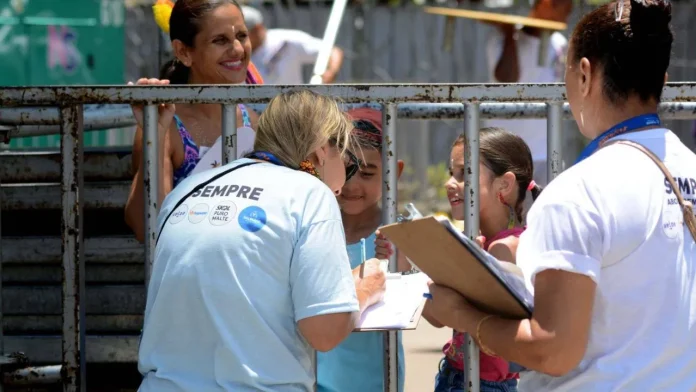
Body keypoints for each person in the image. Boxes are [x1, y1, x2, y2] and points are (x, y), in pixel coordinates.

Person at [426, 1, 696, 390]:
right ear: (663, 79)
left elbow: (553, 351)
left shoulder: (578, 192)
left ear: (584, 74)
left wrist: (463, 315)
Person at [137, 89, 387, 391]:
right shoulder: (310, 192)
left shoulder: (188, 189)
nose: (344, 184)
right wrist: (363, 289)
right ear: (322, 150)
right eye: (348, 164)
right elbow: (324, 331)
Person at [381, 128, 541, 392]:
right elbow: (438, 317)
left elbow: (481, 326)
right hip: (454, 375)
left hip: (483, 385)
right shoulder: (479, 240)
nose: (450, 183)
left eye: (464, 174)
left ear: (505, 184)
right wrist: (407, 260)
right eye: (450, 173)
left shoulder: (505, 248)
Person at [126, 0, 263, 243]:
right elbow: (146, 227)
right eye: (220, 40)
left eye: (242, 35)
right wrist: (154, 135)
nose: (238, 49)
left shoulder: (251, 121)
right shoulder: (166, 123)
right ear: (184, 52)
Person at [317, 108, 410, 392]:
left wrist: (399, 257)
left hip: (378, 381)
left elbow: (419, 303)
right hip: (313, 379)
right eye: (345, 171)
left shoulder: (400, 235)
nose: (352, 185)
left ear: (394, 172)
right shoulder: (313, 229)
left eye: (367, 173)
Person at [485, 0, 572, 187]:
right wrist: (510, 35)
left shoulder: (559, 43)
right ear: (546, 4)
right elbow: (506, 79)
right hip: (504, 151)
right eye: (565, 6)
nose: (569, 13)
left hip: (544, 150)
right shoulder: (501, 39)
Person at [242, 5, 344, 84]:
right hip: (253, 109)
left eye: (243, 34)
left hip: (290, 107)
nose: (239, 39)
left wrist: (331, 72)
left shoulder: (285, 40)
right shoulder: (236, 52)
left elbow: (331, 51)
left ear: (258, 28)